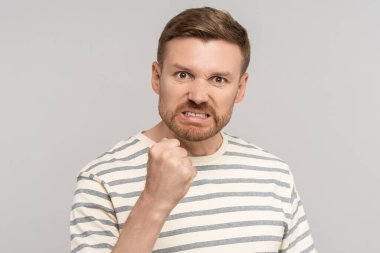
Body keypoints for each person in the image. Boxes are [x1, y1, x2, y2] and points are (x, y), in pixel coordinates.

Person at [70, 6, 316, 253]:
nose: (198, 96)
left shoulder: (274, 175)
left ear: (240, 88)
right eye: (183, 74)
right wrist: (153, 202)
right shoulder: (102, 179)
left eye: (218, 79)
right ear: (157, 77)